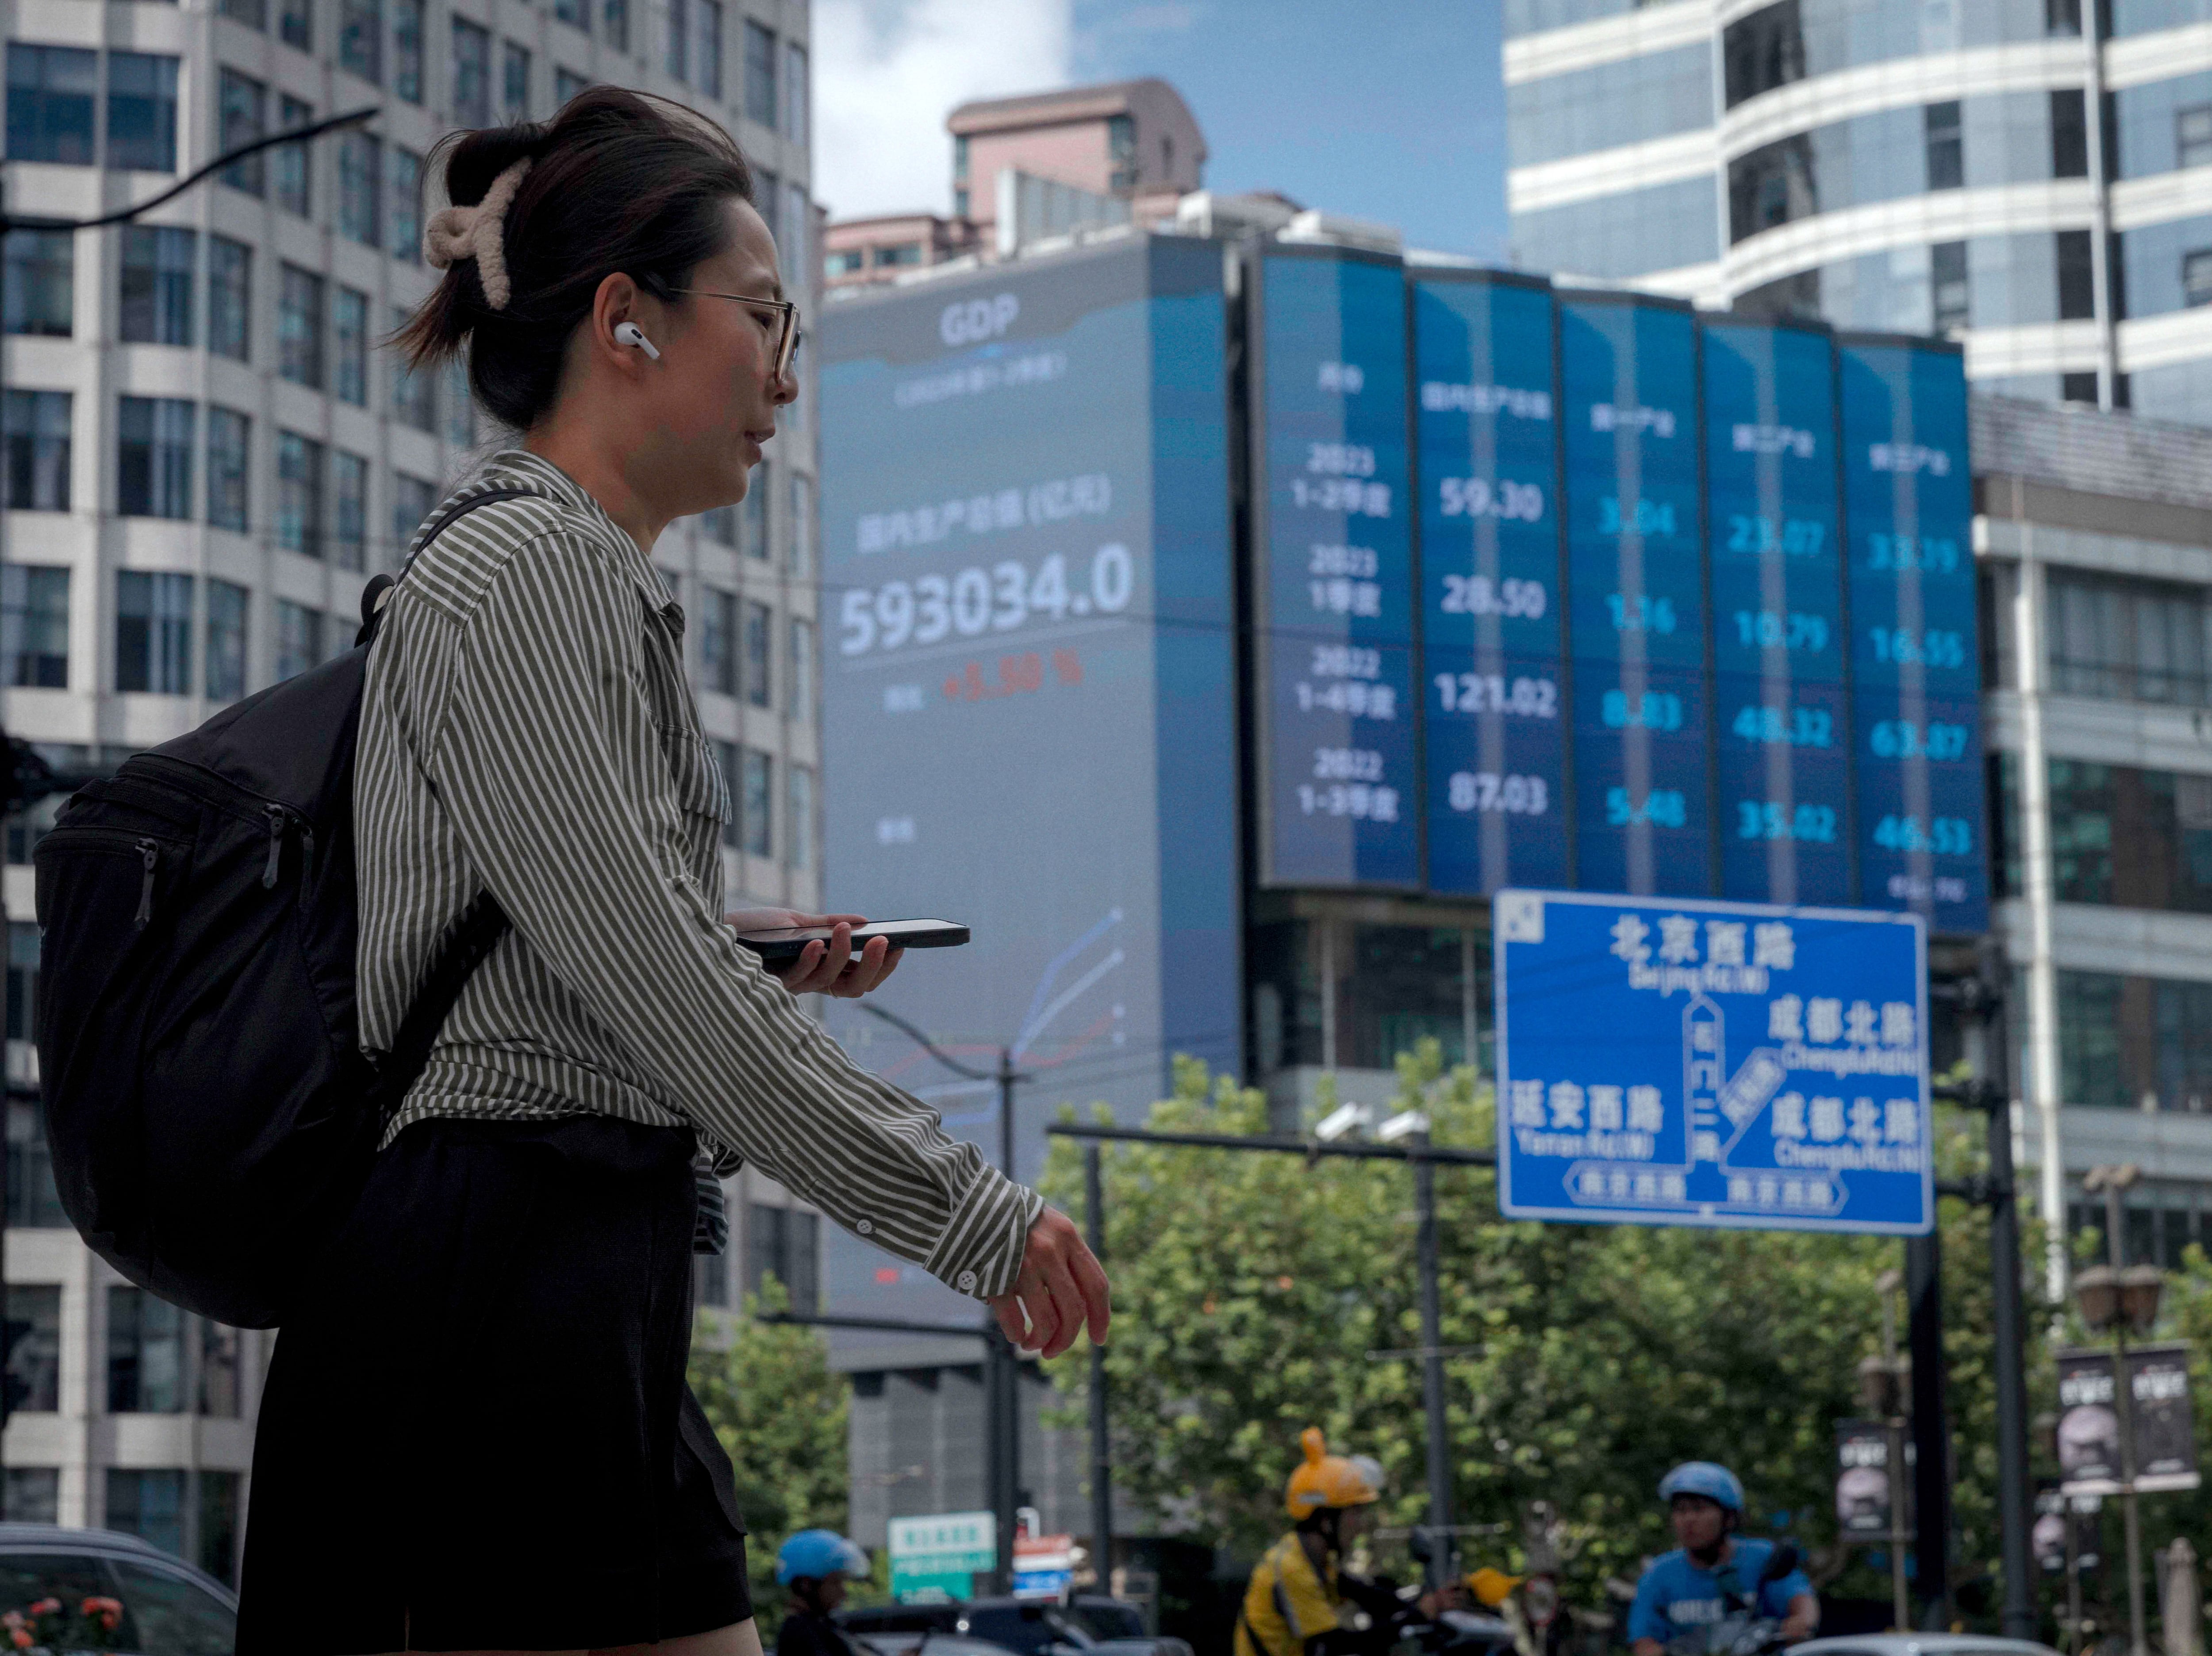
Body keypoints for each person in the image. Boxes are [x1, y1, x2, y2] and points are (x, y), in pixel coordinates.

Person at [234, 86, 1110, 1656]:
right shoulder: (522, 571)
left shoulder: (583, 579)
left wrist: (719, 938)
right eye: (765, 319)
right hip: (490, 1275)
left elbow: (599, 941)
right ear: (626, 320)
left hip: (576, 1255)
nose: (784, 376)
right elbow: (650, 977)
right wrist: (961, 1206)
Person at [1237, 1430, 1461, 1656]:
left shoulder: (1312, 1558)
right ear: (1326, 1519)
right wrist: (1416, 1616)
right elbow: (1338, 1643)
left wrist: (1431, 1602)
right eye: (1356, 1512)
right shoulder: (1292, 1569)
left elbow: (1369, 1595)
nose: (1361, 1525)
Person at [1628, 1464, 1818, 1656]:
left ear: (1729, 1518)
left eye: (1699, 1509)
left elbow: (1802, 1602)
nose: (1689, 1519)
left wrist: (1800, 1624)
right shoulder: (1659, 1573)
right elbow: (1644, 1644)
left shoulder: (1762, 1557)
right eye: (1680, 1510)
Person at [774, 1532, 872, 1656]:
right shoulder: (800, 1635)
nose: (843, 1592)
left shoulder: (823, 1626)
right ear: (807, 1585)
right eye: (835, 1582)